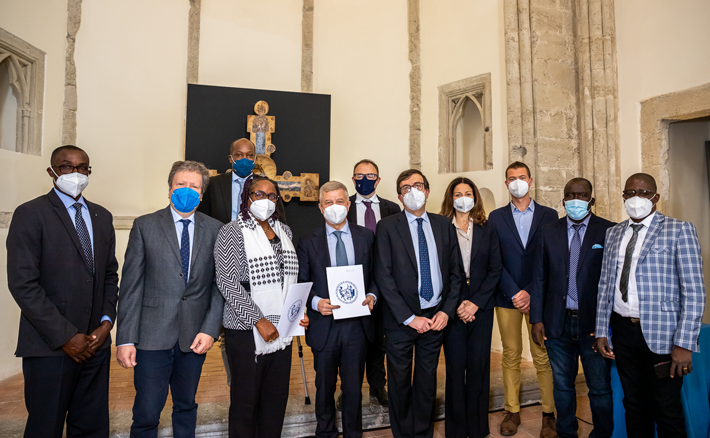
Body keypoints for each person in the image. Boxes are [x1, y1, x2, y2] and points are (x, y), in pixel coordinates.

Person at [6, 145, 119, 438]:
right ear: (52, 171)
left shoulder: (101, 217)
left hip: (95, 345)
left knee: (92, 428)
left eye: (83, 168)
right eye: (68, 167)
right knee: (46, 427)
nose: (76, 173)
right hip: (50, 348)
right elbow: (23, 284)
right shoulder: (30, 214)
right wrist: (66, 336)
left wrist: (106, 324)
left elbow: (109, 275)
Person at [116, 160, 224, 438]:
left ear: (202, 193)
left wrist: (210, 329)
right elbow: (131, 286)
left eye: (194, 186)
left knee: (186, 405)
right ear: (169, 189)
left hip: (195, 336)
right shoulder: (145, 226)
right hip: (152, 335)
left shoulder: (216, 230)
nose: (186, 190)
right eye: (181, 184)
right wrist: (126, 338)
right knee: (147, 411)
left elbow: (219, 286)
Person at [593, 173, 706, 438]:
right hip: (623, 332)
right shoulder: (613, 233)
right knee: (633, 405)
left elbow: (694, 291)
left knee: (666, 409)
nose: (636, 198)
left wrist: (685, 343)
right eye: (630, 192)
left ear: (656, 196)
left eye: (643, 192)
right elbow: (605, 285)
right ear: (623, 196)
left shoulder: (679, 230)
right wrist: (601, 330)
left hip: (664, 336)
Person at [213, 176, 309, 438]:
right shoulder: (231, 231)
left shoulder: (285, 232)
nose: (265, 200)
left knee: (275, 400)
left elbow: (289, 280)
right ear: (246, 198)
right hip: (246, 330)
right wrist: (258, 320)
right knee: (246, 401)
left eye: (271, 195)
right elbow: (227, 281)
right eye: (258, 194)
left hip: (282, 329)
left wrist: (297, 314)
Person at [375, 168, 462, 438]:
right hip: (402, 321)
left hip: (435, 317)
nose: (413, 191)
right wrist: (409, 318)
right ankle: (402, 434)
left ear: (427, 190)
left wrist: (446, 312)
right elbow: (383, 276)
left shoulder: (444, 224)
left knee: (426, 381)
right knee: (399, 382)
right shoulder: (387, 226)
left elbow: (456, 274)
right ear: (400, 196)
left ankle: (423, 432)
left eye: (418, 185)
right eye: (406, 187)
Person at [531, 178, 615, 438]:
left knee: (599, 388)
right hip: (558, 323)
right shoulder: (548, 230)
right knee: (563, 386)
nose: (575, 200)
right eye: (570, 195)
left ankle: (601, 434)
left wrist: (608, 325)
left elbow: (612, 280)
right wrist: (536, 319)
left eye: (581, 195)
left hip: (594, 325)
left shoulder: (609, 231)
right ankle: (566, 433)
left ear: (591, 200)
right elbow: (539, 277)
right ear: (563, 199)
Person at [298, 180, 379, 438]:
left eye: (340, 202)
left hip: (357, 326)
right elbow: (302, 282)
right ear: (321, 208)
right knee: (324, 387)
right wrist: (315, 302)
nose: (335, 207)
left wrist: (372, 294)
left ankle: (354, 433)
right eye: (329, 203)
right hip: (325, 326)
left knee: (354, 386)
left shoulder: (366, 237)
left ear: (349, 204)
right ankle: (325, 433)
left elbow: (377, 275)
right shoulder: (307, 242)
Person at [487, 161, 558, 437]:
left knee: (542, 356)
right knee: (511, 355)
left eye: (522, 177)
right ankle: (512, 411)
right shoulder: (496, 217)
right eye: (511, 178)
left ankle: (549, 414)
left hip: (538, 297)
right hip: (507, 297)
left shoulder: (549, 215)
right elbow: (494, 260)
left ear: (530, 180)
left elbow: (551, 258)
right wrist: (514, 292)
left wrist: (530, 290)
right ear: (506, 184)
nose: (517, 181)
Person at [439, 177, 502, 438]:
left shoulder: (488, 228)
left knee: (478, 366)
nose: (463, 197)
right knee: (455, 367)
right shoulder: (440, 227)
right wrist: (454, 305)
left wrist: (475, 303)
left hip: (481, 306)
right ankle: (455, 429)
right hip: (451, 306)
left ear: (475, 197)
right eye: (457, 193)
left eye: (468, 193)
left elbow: (495, 269)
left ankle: (477, 428)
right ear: (450, 198)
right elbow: (439, 270)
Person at [196, 137, 256, 386]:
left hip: (255, 260)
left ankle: (254, 378)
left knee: (254, 320)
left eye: (249, 155)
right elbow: (205, 220)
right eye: (238, 155)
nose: (244, 159)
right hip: (223, 258)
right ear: (230, 158)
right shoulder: (215, 185)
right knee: (229, 323)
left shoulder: (264, 185)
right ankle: (236, 383)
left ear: (255, 157)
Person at [346, 158, 400, 407]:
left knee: (380, 340)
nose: (364, 180)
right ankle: (348, 390)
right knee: (351, 342)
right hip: (353, 282)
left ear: (378, 180)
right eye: (359, 175)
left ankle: (378, 386)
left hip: (385, 283)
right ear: (353, 178)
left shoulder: (392, 209)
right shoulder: (344, 206)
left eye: (370, 176)